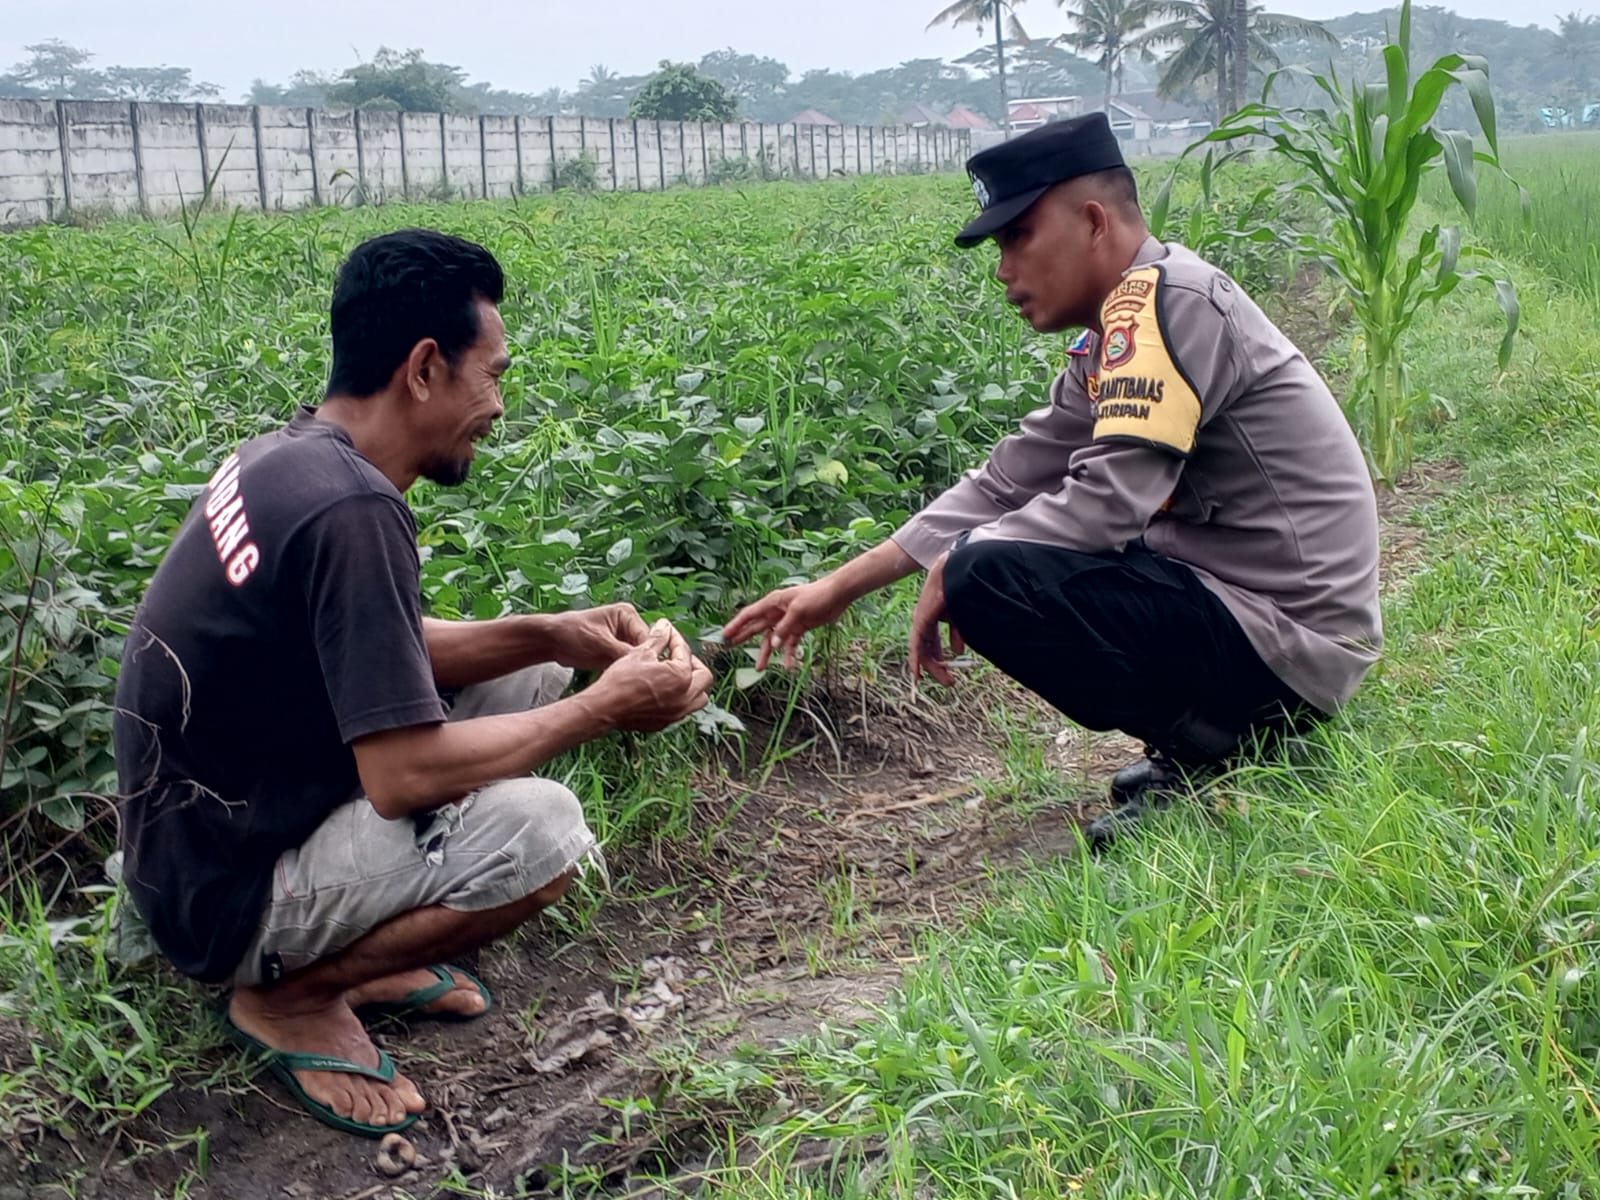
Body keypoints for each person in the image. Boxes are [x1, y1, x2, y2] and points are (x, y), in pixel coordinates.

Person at [112, 228, 713, 1138]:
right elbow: (403, 776)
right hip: (225, 893)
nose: (498, 406)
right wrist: (606, 708)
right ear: (425, 367)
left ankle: (351, 947)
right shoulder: (351, 506)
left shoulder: (289, 456)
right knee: (543, 832)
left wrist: (552, 635)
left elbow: (373, 644)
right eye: (493, 373)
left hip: (209, 833)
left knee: (541, 668)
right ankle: (294, 995)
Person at [723, 113, 1381, 850]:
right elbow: (1008, 480)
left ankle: (1226, 749)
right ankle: (1215, 742)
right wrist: (834, 589)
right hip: (1256, 620)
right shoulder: (1120, 326)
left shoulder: (1169, 303)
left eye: (1016, 238)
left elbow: (1107, 503)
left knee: (989, 572)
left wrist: (962, 561)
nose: (1004, 267)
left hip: (1292, 642)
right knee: (988, 556)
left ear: (1093, 221)